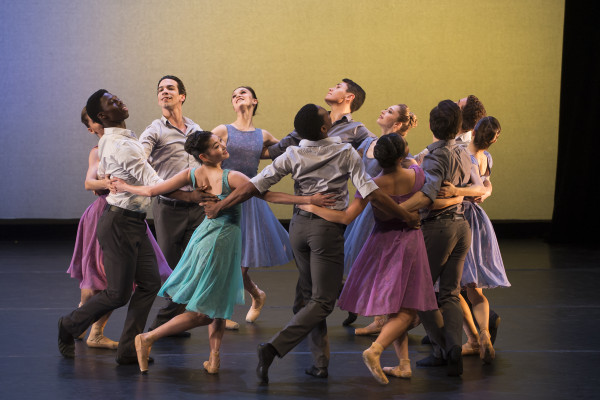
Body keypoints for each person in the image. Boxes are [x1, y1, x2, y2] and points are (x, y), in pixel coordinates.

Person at [201, 104, 419, 384]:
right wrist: (405, 216)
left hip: (299, 229)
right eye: (328, 117)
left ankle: (319, 363)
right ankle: (273, 348)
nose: (331, 116)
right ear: (325, 128)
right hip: (326, 231)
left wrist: (221, 206)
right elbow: (371, 191)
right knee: (323, 301)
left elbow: (254, 187)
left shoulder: (293, 153)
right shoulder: (344, 151)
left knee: (310, 297)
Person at [112, 131, 334, 374]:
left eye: (220, 143)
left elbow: (155, 190)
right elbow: (268, 195)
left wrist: (124, 186)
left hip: (207, 237)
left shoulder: (192, 174)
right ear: (204, 156)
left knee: (219, 303)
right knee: (204, 313)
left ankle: (214, 359)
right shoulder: (232, 177)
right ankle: (148, 338)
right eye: (216, 147)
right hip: (220, 241)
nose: (223, 147)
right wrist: (309, 198)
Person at [58, 90, 200, 364]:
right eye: (112, 102)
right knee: (117, 294)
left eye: (117, 98)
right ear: (102, 116)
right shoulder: (120, 145)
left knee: (148, 285)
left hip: (133, 221)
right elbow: (155, 184)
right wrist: (192, 187)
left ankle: (127, 349)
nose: (120, 101)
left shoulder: (123, 139)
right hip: (119, 223)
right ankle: (69, 324)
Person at [298, 134, 438, 384]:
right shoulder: (417, 175)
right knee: (406, 311)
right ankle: (375, 350)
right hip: (409, 243)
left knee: (397, 307)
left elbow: (345, 218)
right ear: (401, 155)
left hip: (382, 244)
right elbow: (424, 181)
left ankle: (404, 364)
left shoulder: (372, 183)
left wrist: (311, 206)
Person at [66, 108, 171, 350]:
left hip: (131, 213)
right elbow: (89, 182)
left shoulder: (120, 143)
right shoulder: (99, 149)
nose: (99, 123)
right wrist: (108, 182)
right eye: (94, 120)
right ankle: (83, 324)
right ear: (92, 127)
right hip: (107, 211)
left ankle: (93, 329)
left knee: (128, 280)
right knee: (97, 275)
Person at [399, 100, 486, 376]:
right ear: (458, 127)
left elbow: (430, 198)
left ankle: (444, 349)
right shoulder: (463, 152)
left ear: (430, 125)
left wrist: (399, 209)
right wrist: (459, 194)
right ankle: (453, 352)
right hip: (461, 227)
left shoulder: (436, 156)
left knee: (421, 290)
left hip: (439, 230)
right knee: (448, 293)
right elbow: (478, 187)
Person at [212, 86, 293, 324]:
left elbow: (287, 152)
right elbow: (203, 154)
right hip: (226, 198)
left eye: (243, 93)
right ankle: (255, 294)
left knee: (241, 264)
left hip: (250, 202)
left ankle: (234, 305)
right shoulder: (222, 130)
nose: (237, 96)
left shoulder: (262, 135)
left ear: (254, 101)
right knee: (226, 260)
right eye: (234, 94)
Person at [139, 75, 212, 332]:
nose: (164, 92)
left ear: (182, 96)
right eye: (160, 89)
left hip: (198, 207)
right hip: (169, 208)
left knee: (195, 264)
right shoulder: (154, 130)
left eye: (170, 88)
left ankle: (169, 323)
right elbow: (139, 159)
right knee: (172, 270)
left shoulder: (195, 128)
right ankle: (164, 327)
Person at [438, 116, 509, 364]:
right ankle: (484, 334)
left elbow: (480, 187)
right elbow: (486, 183)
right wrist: (486, 191)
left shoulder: (462, 153)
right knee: (474, 288)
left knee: (454, 287)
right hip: (479, 219)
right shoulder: (485, 157)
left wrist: (459, 191)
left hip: (461, 216)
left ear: (475, 130)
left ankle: (475, 338)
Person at [345, 104, 418, 335]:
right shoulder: (368, 143)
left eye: (388, 112)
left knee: (380, 263)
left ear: (397, 125)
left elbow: (414, 170)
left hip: (381, 210)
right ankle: (380, 313)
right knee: (365, 259)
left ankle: (383, 318)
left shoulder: (399, 149)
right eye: (384, 109)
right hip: (365, 207)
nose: (382, 112)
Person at [265, 78, 376, 159]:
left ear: (349, 97)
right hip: (302, 189)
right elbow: (279, 149)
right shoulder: (313, 119)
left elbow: (377, 146)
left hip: (334, 189)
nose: (330, 88)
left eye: (338, 87)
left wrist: (354, 157)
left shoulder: (356, 129)